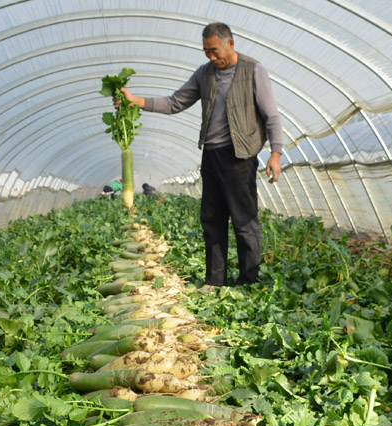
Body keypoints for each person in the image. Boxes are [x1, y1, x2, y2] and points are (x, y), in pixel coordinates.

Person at [120, 22, 283, 290]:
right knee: (212, 218)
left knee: (244, 221)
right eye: (206, 51)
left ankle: (247, 281)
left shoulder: (253, 70)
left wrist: (275, 154)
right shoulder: (204, 74)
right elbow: (175, 103)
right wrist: (136, 101)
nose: (211, 56)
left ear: (230, 44)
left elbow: (271, 116)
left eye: (215, 50)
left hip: (240, 157)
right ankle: (214, 281)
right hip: (212, 155)